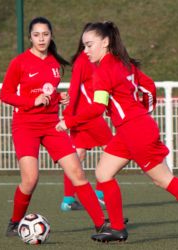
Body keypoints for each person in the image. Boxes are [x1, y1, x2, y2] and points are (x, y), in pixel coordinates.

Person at [56, 21, 178, 243]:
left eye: (89, 45)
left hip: (136, 132)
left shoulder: (103, 72)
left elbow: (96, 110)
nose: (85, 51)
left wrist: (69, 122)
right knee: (103, 173)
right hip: (131, 130)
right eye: (84, 46)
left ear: (105, 42)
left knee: (163, 179)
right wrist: (144, 112)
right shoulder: (124, 63)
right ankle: (117, 229)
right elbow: (149, 87)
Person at [0, 17, 106, 238]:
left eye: (45, 34)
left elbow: (48, 92)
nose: (41, 39)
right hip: (25, 126)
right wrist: (32, 102)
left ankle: (101, 223)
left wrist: (60, 98)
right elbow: (5, 95)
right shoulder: (19, 62)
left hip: (51, 125)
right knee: (30, 179)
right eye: (37, 35)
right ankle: (15, 222)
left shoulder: (56, 64)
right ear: (30, 37)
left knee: (77, 172)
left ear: (51, 36)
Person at [60, 34, 113, 212]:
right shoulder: (85, 61)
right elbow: (74, 88)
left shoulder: (96, 60)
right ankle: (100, 194)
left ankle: (68, 199)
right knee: (112, 150)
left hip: (81, 115)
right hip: (88, 116)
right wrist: (68, 117)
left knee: (77, 155)